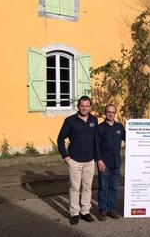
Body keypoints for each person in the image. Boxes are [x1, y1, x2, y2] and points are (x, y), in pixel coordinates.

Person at [57, 96, 98, 225]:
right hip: (74, 160)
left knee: (87, 187)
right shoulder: (70, 121)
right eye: (82, 105)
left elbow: (97, 140)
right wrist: (66, 157)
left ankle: (85, 211)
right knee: (74, 188)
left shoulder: (94, 120)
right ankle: (74, 213)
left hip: (90, 161)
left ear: (90, 107)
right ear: (78, 106)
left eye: (87, 106)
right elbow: (60, 139)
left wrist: (98, 158)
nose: (84, 108)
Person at [95, 104, 125, 221]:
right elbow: (96, 145)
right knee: (103, 188)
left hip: (116, 163)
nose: (111, 114)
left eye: (113, 112)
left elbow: (131, 137)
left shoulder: (119, 127)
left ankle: (112, 209)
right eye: (108, 112)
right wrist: (99, 160)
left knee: (113, 187)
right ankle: (102, 210)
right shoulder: (100, 128)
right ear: (105, 113)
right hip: (104, 163)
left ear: (115, 113)